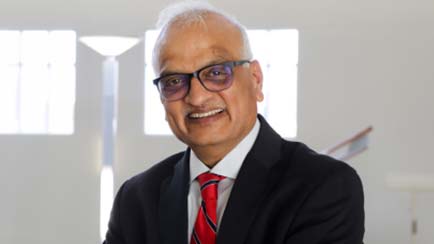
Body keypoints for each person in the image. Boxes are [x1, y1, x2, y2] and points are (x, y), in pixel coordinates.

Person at [103, 1, 365, 244]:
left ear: (256, 80)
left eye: (216, 73)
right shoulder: (136, 199)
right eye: (173, 81)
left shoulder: (323, 186)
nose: (196, 96)